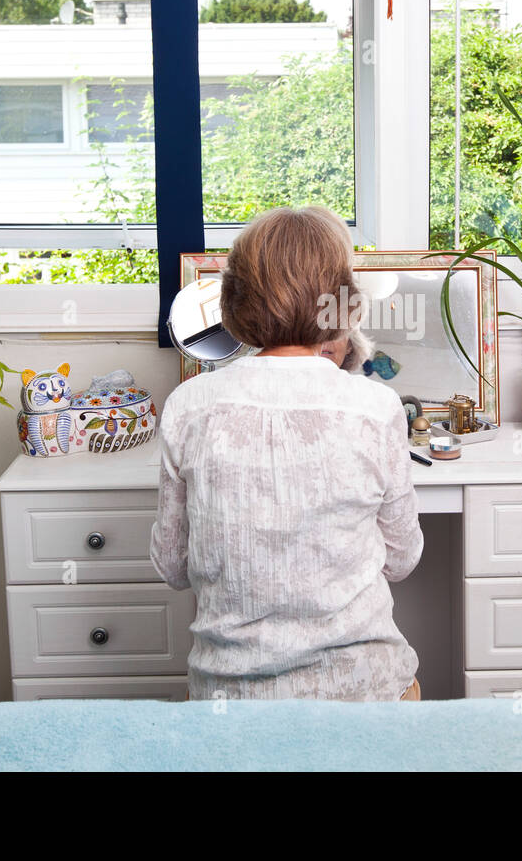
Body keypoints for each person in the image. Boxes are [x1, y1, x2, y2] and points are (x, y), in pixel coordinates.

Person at [152, 205, 423, 701]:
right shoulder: (376, 408)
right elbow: (402, 560)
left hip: (229, 702)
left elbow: (172, 567)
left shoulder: (188, 407)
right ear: (344, 303)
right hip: (363, 694)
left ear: (235, 299)